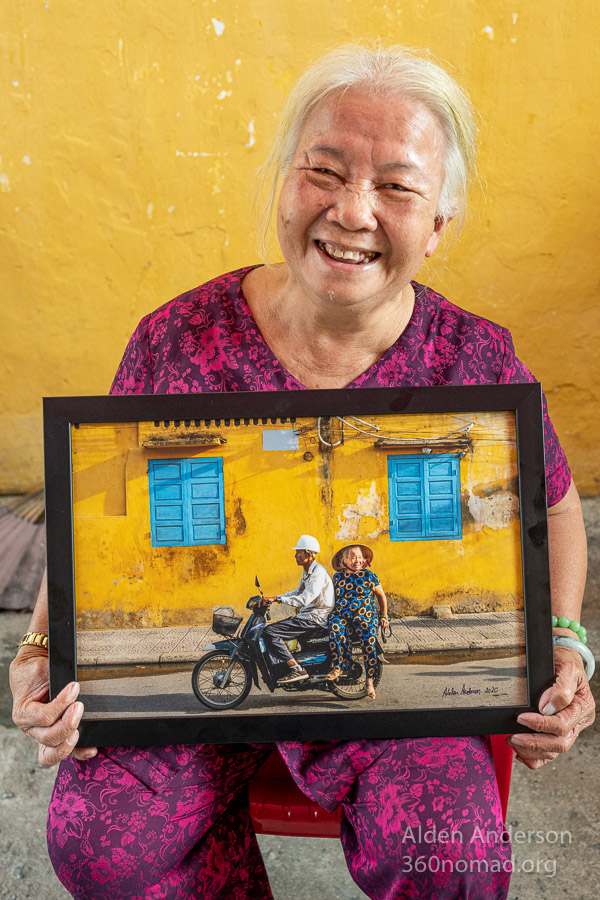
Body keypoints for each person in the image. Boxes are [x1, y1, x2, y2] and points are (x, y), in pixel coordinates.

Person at [10, 43, 595, 900]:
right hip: (189, 696)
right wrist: (39, 646)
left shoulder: (474, 360)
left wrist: (566, 642)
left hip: (396, 700)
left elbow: (558, 504)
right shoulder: (175, 342)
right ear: (285, 184)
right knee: (101, 841)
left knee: (451, 852)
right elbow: (92, 513)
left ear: (437, 226)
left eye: (397, 186)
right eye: (324, 170)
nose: (352, 211)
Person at [261, 535, 335, 684]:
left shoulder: (318, 573)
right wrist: (274, 597)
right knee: (275, 630)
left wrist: (277, 600)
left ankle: (296, 669)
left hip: (314, 618)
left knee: (270, 632)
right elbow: (296, 592)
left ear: (308, 554)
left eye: (298, 552)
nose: (295, 556)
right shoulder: (308, 571)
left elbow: (304, 599)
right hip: (308, 616)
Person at [327, 543, 388, 700]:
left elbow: (381, 596)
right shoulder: (338, 577)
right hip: (341, 615)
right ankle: (338, 666)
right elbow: (330, 598)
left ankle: (369, 682)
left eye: (360, 557)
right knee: (335, 630)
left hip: (365, 616)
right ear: (344, 560)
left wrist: (384, 616)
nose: (357, 560)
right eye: (353, 557)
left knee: (369, 644)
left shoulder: (369, 576)